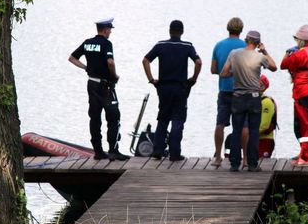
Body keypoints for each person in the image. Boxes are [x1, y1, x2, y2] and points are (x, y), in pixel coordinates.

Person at [68, 18, 130, 161]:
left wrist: (86, 68)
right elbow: (110, 62)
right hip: (105, 86)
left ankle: (98, 152)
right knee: (113, 117)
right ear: (105, 30)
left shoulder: (87, 43)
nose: (110, 33)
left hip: (92, 84)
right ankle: (113, 150)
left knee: (95, 118)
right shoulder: (107, 44)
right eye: (110, 30)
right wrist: (114, 75)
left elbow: (72, 58)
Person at [142, 20, 202, 161]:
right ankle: (174, 153)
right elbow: (198, 62)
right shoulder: (187, 46)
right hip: (180, 88)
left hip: (163, 87)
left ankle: (157, 150)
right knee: (178, 119)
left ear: (169, 30)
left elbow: (145, 60)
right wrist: (193, 78)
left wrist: (151, 79)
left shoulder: (160, 45)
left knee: (163, 118)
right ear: (182, 32)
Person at [220, 30, 277, 172]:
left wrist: (236, 72)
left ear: (246, 40)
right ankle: (252, 164)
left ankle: (234, 164)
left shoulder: (234, 53)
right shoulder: (259, 56)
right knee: (253, 131)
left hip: (238, 97)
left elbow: (224, 73)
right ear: (258, 44)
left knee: (237, 130)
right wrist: (264, 51)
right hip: (254, 98)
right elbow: (274, 67)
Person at [280, 25, 308, 166]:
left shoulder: (299, 54)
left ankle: (304, 157)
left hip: (302, 92)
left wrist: (288, 53)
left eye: (296, 39)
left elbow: (283, 64)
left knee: (304, 125)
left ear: (301, 40)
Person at [210, 17, 247, 167]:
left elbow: (213, 70)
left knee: (220, 124)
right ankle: (245, 159)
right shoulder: (246, 46)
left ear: (228, 28)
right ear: (241, 30)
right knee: (244, 125)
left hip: (224, 90)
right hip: (242, 91)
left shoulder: (218, 45)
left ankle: (218, 157)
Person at [258, 74, 277, 158]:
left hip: (265, 140)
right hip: (256, 139)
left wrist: (249, 135)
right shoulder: (255, 101)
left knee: (262, 164)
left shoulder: (266, 102)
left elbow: (264, 126)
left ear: (263, 87)